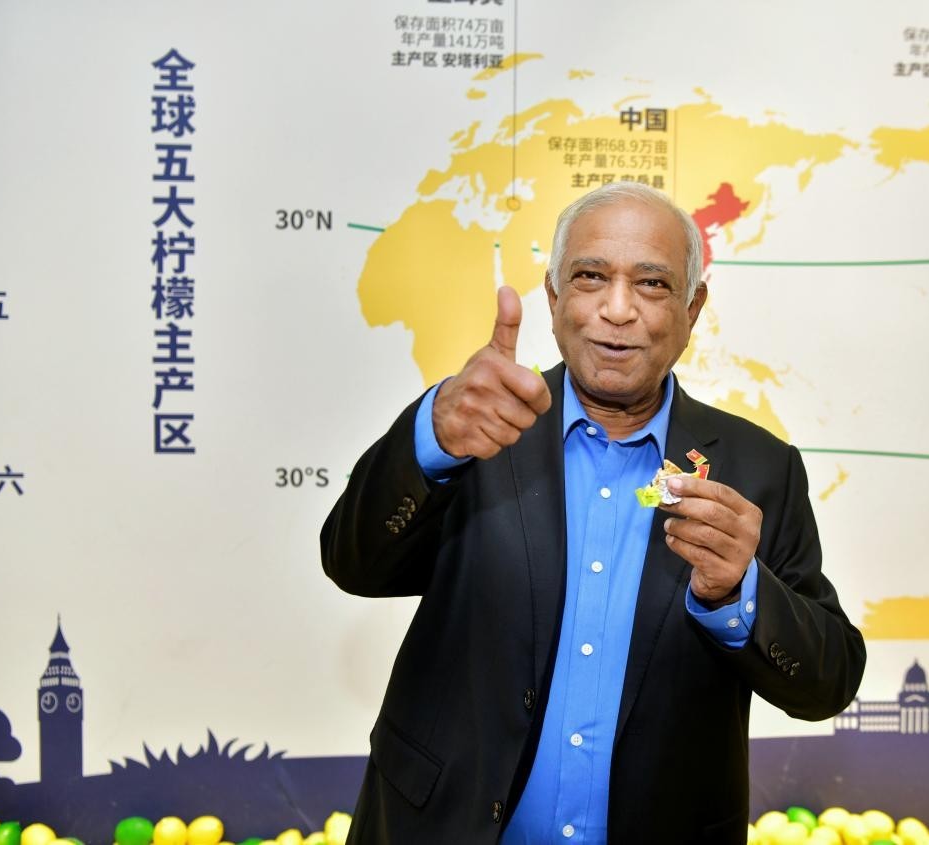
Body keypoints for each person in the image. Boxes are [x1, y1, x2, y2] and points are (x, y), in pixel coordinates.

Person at [320, 181, 866, 844]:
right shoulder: (477, 425)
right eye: (590, 277)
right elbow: (353, 563)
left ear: (692, 307)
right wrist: (431, 438)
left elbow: (827, 683)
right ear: (554, 298)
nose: (617, 309)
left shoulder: (759, 469)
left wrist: (739, 591)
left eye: (652, 284)